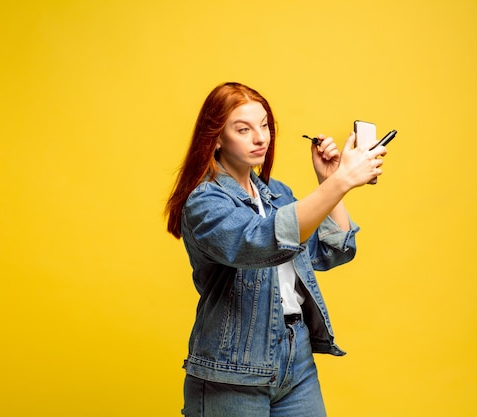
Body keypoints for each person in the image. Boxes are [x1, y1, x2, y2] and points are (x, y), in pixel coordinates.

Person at [165, 82, 387, 417]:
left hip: (295, 356)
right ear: (217, 137)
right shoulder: (204, 201)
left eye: (265, 125)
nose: (261, 138)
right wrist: (343, 180)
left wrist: (329, 183)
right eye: (244, 129)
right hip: (234, 366)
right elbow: (258, 242)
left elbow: (330, 251)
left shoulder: (276, 193)